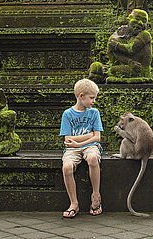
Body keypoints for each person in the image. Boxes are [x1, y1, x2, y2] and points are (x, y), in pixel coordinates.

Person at [60, 79, 103, 218]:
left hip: (90, 146)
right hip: (72, 149)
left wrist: (78, 142)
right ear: (81, 96)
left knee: (92, 158)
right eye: (91, 98)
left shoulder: (94, 112)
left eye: (95, 98)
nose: (94, 101)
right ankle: (74, 203)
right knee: (66, 167)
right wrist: (88, 135)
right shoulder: (67, 114)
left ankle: (96, 195)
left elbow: (97, 138)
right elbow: (67, 139)